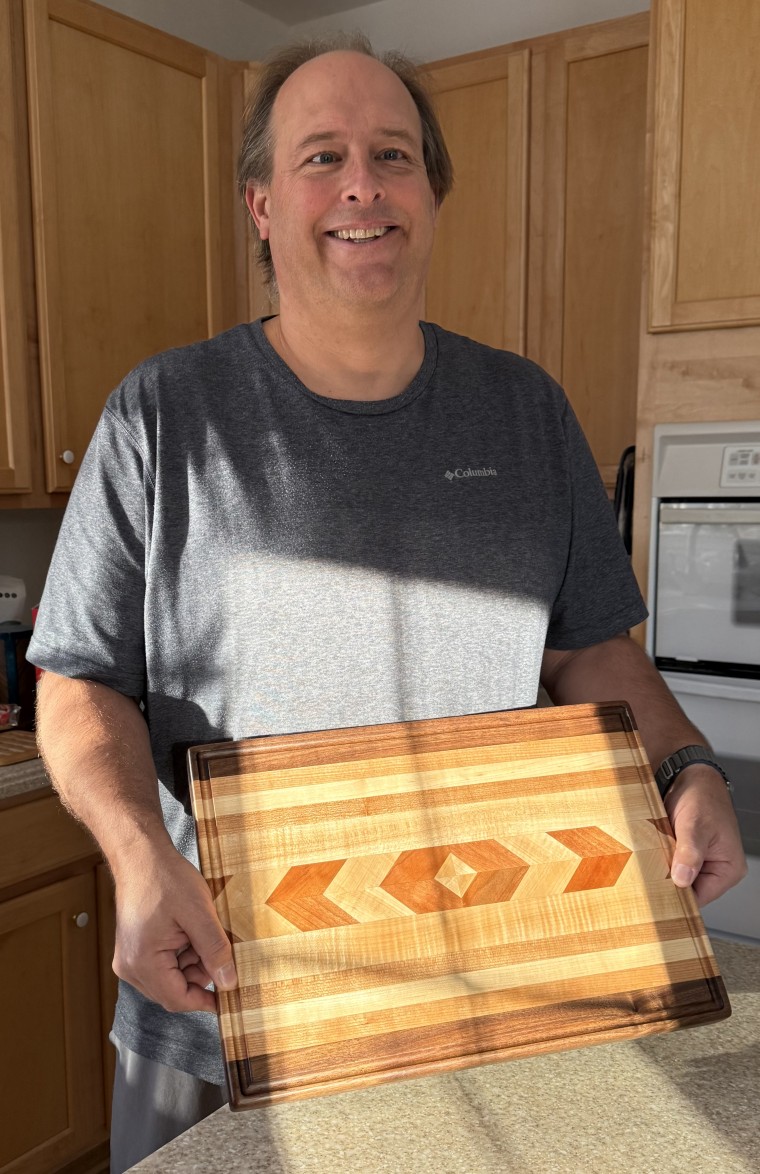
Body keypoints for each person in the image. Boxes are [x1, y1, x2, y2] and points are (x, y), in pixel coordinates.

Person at [29, 32, 745, 1174]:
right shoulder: (162, 418)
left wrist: (688, 768)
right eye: (322, 156)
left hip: (491, 997)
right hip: (221, 1009)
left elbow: (593, 655)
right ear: (263, 205)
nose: (361, 185)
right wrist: (134, 853)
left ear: (431, 195)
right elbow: (75, 680)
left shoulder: (526, 412)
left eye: (393, 154)